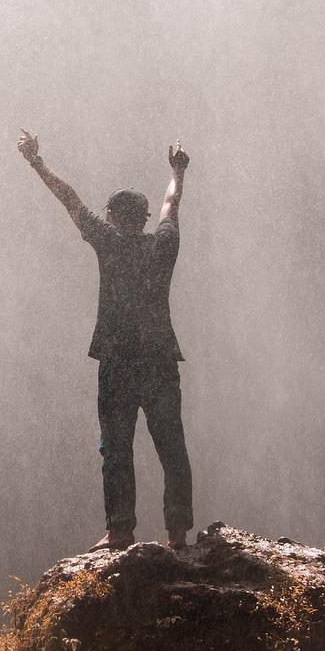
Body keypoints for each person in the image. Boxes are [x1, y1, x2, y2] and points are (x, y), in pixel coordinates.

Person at [18, 131, 193, 551]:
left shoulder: (109, 242)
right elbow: (172, 203)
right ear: (145, 218)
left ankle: (119, 530)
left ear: (113, 216)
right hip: (158, 358)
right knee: (171, 445)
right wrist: (177, 171)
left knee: (116, 447)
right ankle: (178, 533)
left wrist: (36, 162)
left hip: (118, 360)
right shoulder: (164, 245)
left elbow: (70, 198)